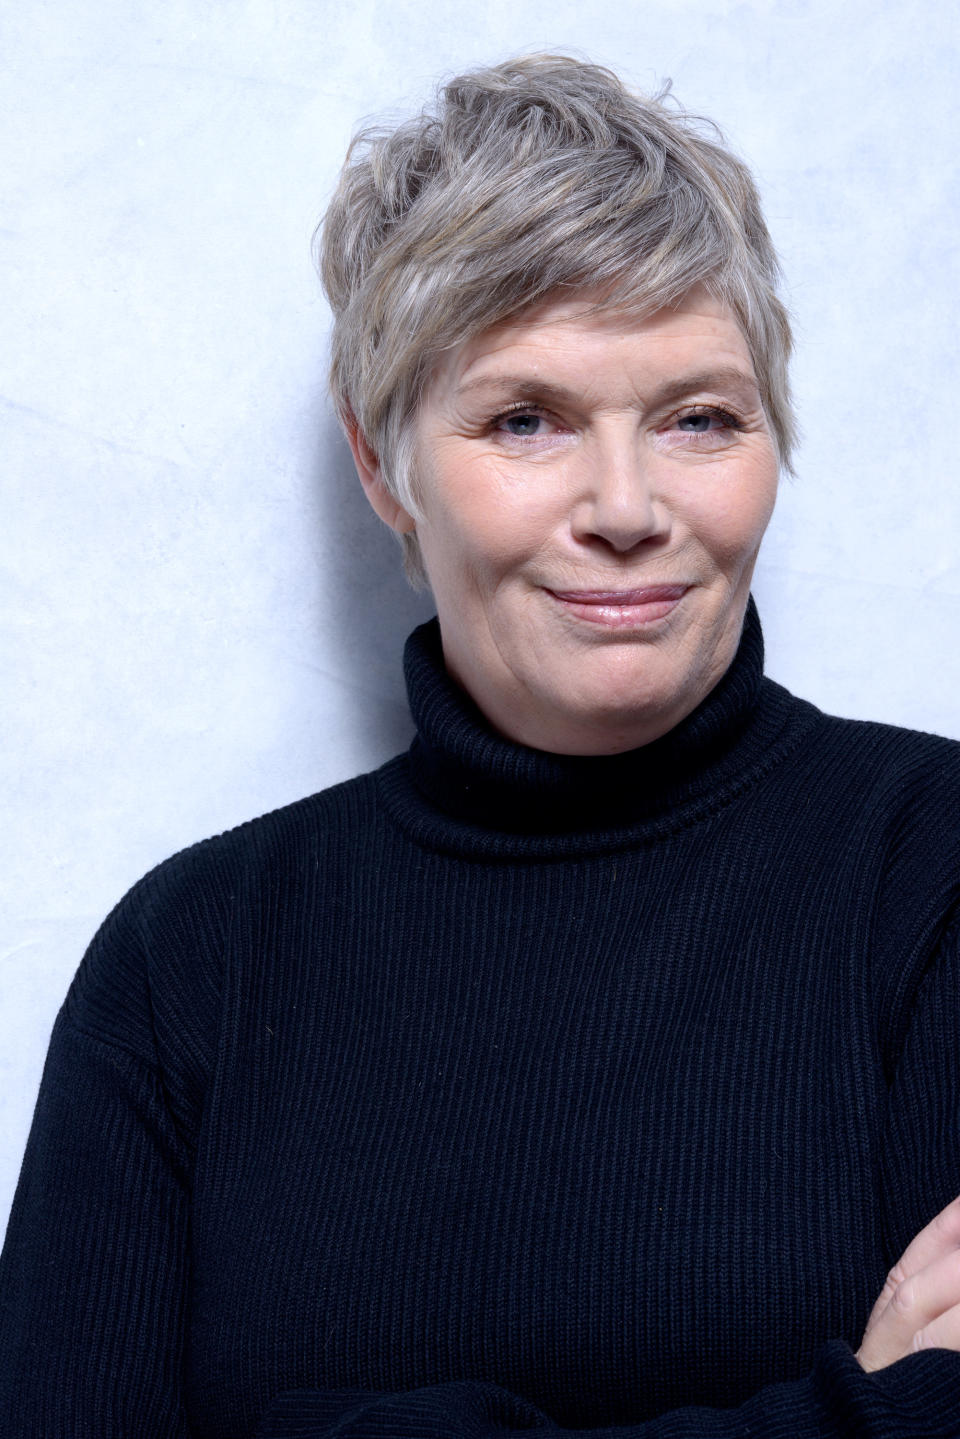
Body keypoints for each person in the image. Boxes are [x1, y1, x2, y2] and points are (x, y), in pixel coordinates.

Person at [1, 52, 959, 1439]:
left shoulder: (929, 870)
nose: (627, 506)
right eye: (526, 420)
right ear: (380, 461)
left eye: (698, 418)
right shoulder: (190, 963)